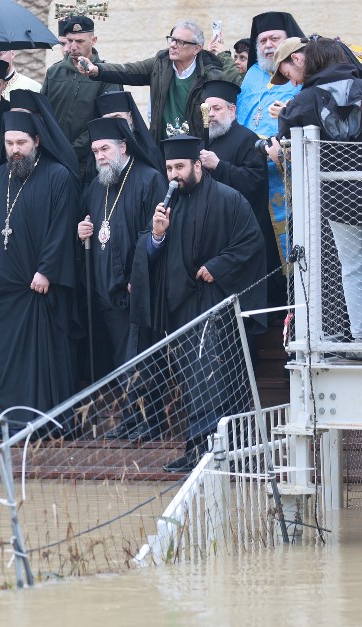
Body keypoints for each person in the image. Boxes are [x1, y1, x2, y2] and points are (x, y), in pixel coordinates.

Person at [129, 136, 266, 470]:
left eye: (180, 167)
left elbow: (251, 242)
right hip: (180, 308)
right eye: (169, 168)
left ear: (197, 165)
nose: (174, 175)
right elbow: (148, 249)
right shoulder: (166, 203)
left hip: (216, 307)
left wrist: (217, 267)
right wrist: (157, 235)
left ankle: (221, 454)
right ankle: (197, 452)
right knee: (193, 384)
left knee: (216, 380)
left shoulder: (228, 199)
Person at [277, 38, 362, 361]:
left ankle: (359, 338)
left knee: (351, 268)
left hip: (336, 197)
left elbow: (284, 136)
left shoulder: (305, 100)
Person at [0, 111, 81, 434]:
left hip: (39, 289)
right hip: (4, 292)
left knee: (43, 361)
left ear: (37, 142)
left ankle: (47, 423)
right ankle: (12, 420)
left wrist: (47, 271)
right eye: (9, 142)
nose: (15, 149)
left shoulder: (58, 177)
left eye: (21, 143)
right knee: (10, 363)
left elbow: (61, 228)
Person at [77, 117, 167, 438]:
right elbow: (92, 228)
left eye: (104, 149)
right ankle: (130, 420)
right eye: (95, 151)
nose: (99, 156)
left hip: (137, 286)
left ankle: (151, 422)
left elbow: (154, 232)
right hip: (105, 287)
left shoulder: (149, 179)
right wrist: (81, 230)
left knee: (141, 356)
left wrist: (137, 274)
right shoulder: (95, 187)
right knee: (120, 359)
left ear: (123, 147)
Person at [79, 19, 227, 142]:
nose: (172, 45)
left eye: (180, 42)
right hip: (162, 145)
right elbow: (129, 71)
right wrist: (97, 70)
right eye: (172, 39)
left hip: (196, 149)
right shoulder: (160, 63)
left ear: (197, 49)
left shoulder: (211, 76)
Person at [235, 12, 305, 268]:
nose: (268, 45)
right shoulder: (253, 73)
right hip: (252, 172)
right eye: (262, 40)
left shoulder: (300, 72)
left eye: (274, 38)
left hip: (285, 172)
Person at [198, 81, 280, 299]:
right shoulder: (205, 141)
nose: (212, 114)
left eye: (218, 108)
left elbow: (255, 181)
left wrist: (219, 166)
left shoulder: (247, 139)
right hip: (212, 228)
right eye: (208, 109)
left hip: (241, 229)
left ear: (232, 110)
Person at [40, 16, 123, 177]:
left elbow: (106, 121)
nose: (72, 47)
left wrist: (71, 151)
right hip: (54, 160)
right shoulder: (53, 72)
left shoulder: (106, 75)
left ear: (93, 40)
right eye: (69, 40)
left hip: (90, 163)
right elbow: (43, 113)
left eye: (80, 41)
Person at [94, 91, 163, 171]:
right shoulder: (97, 153)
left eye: (117, 118)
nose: (113, 124)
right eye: (107, 120)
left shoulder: (148, 151)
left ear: (130, 117)